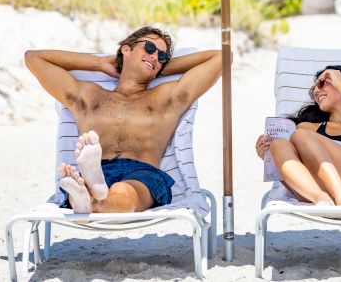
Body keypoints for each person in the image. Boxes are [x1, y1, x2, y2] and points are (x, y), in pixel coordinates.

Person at [25, 26, 222, 214]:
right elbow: (33, 58)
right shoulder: (90, 95)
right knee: (88, 189)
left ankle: (91, 197)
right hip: (99, 167)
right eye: (150, 48)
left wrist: (157, 67)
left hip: (143, 172)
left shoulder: (166, 98)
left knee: (124, 192)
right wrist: (100, 63)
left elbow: (221, 57)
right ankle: (93, 189)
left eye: (162, 57)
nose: (155, 56)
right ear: (126, 49)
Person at [255, 66, 341, 206]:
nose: (315, 91)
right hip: (321, 192)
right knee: (279, 144)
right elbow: (293, 166)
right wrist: (269, 156)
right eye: (314, 88)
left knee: (301, 136)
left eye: (322, 83)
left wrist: (340, 84)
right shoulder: (307, 128)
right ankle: (322, 199)